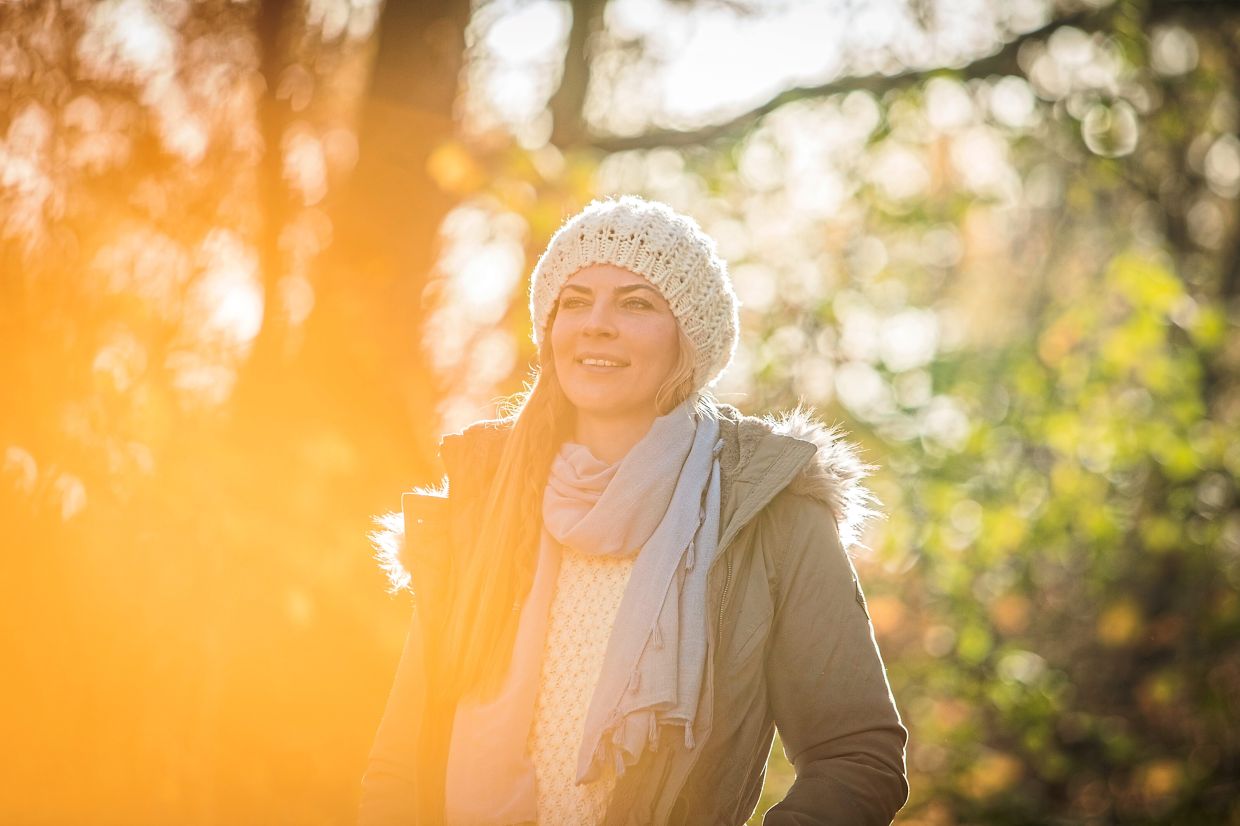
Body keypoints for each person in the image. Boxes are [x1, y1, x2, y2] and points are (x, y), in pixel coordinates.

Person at [358, 195, 908, 825]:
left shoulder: (767, 513)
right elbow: (399, 764)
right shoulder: (487, 504)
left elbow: (856, 755)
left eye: (637, 302)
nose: (596, 324)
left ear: (689, 340)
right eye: (575, 301)